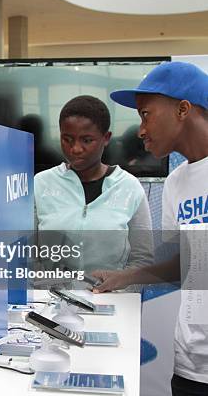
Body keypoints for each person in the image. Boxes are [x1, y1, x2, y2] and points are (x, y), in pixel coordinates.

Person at [92, 61, 208, 396]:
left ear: (183, 109)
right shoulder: (176, 183)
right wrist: (125, 277)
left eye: (146, 114)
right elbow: (180, 265)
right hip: (191, 364)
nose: (141, 129)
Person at [34, 95, 153, 275]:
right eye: (67, 139)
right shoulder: (41, 184)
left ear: (106, 138)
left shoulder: (129, 187)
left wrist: (116, 290)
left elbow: (142, 259)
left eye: (87, 140)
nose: (75, 149)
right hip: (50, 298)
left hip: (110, 298)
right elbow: (25, 252)